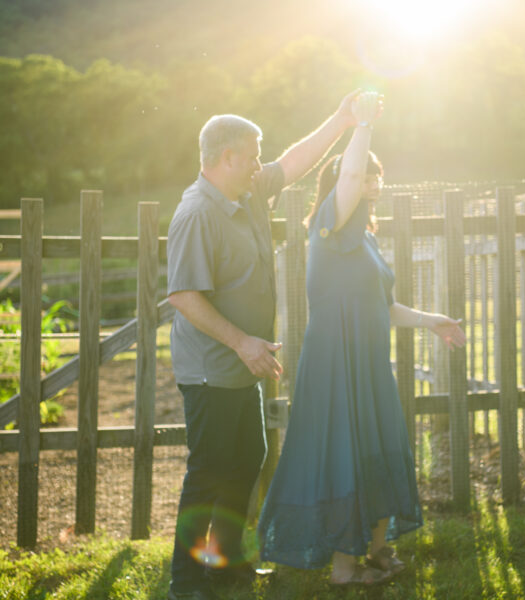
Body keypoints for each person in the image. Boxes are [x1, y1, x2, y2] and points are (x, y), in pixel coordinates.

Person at [166, 91, 370, 600]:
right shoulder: (196, 213)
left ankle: (226, 563)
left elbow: (295, 161)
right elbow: (184, 295)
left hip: (243, 363)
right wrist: (241, 343)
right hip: (213, 367)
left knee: (248, 458)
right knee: (210, 473)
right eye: (253, 154)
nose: (260, 163)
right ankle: (187, 581)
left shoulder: (249, 190)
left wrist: (342, 120)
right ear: (227, 157)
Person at [258, 92, 466, 586]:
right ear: (340, 186)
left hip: (369, 362)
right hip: (336, 362)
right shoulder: (328, 223)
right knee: (343, 455)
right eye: (365, 176)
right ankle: (343, 569)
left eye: (378, 175)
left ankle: (375, 550)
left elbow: (382, 307)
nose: (373, 182)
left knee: (377, 450)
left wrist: (431, 318)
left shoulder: (365, 240)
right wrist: (362, 123)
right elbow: (348, 175)